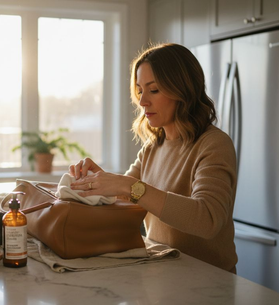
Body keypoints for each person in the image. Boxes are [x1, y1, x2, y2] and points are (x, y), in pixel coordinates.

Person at [69, 43, 238, 273]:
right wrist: (100, 180)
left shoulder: (213, 144)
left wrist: (129, 185)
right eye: (140, 90)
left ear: (183, 90)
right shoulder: (152, 148)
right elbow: (125, 199)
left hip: (208, 283)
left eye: (154, 90)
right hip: (164, 273)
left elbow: (207, 219)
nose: (142, 101)